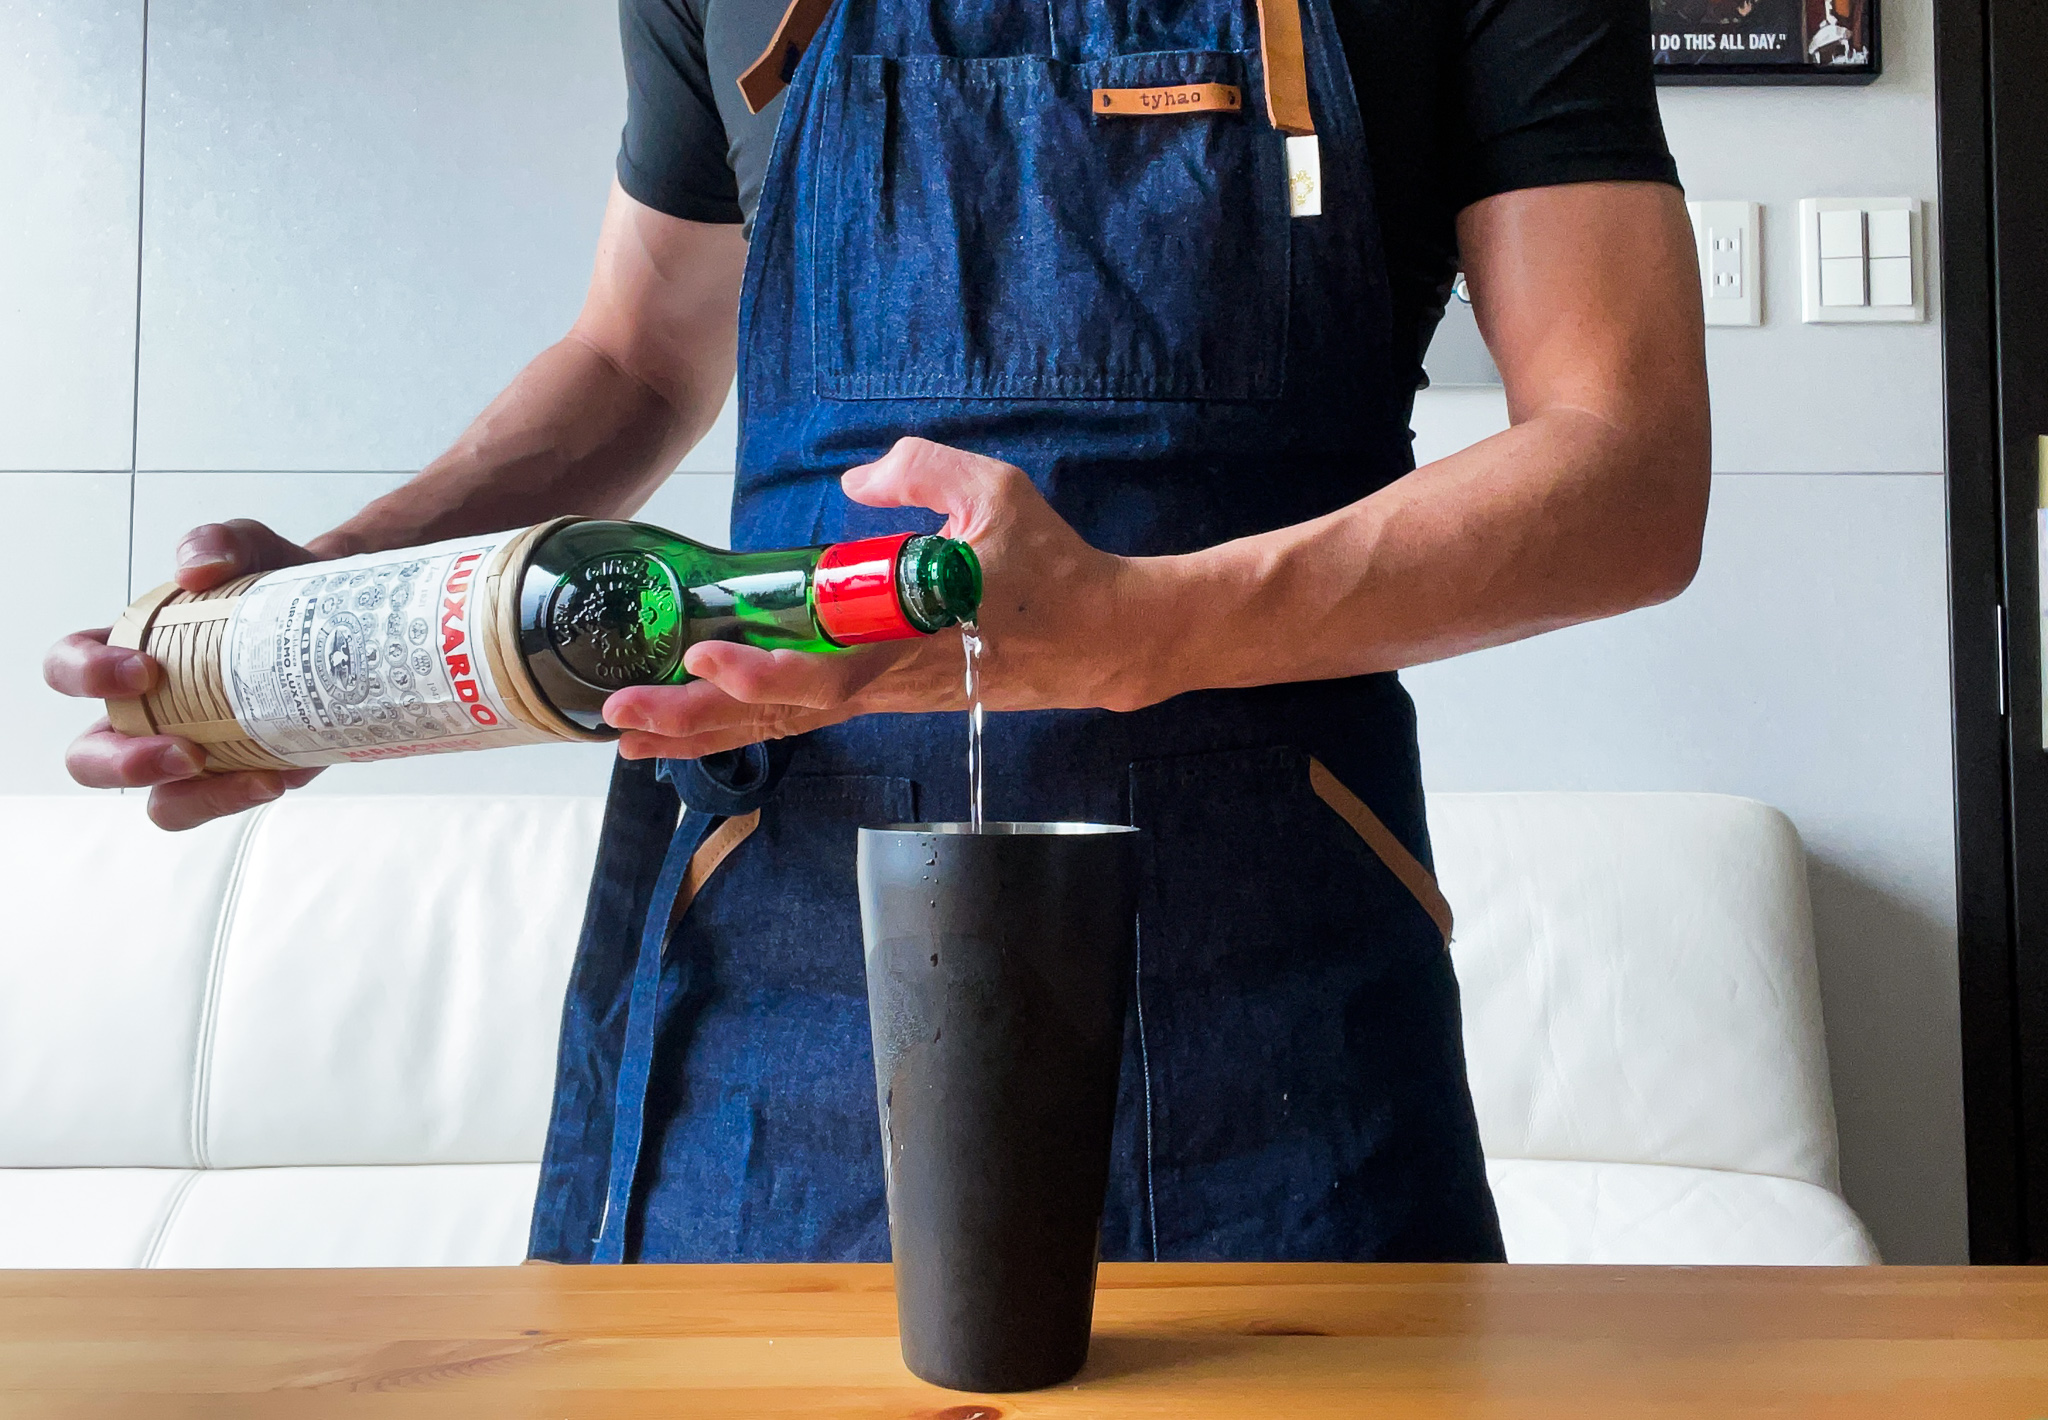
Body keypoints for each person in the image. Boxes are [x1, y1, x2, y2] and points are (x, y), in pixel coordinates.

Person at [45, 0, 1708, 1264]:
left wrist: (1135, 632)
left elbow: (1629, 469)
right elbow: (635, 356)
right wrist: (338, 608)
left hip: (1268, 956)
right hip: (770, 943)